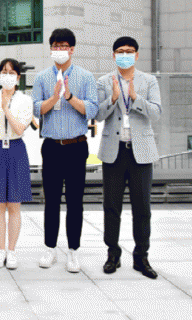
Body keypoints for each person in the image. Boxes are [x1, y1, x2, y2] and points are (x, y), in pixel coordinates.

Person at [32, 28, 98, 273]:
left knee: (74, 200)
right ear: (51, 49)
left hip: (76, 146)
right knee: (51, 200)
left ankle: (73, 250)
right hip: (51, 146)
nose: (59, 50)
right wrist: (54, 98)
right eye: (55, 46)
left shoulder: (85, 77)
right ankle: (50, 248)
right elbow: (35, 108)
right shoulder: (41, 77)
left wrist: (68, 96)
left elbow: (92, 110)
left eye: (64, 46)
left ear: (72, 49)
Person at [96, 36, 161, 279]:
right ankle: (112, 253)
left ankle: (141, 256)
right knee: (111, 206)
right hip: (114, 151)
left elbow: (156, 112)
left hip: (140, 152)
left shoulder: (148, 80)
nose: (125, 55)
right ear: (114, 55)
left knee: (142, 207)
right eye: (121, 51)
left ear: (137, 54)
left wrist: (135, 97)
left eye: (130, 51)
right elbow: (98, 115)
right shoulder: (104, 81)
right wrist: (113, 98)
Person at [0, 59, 33, 269]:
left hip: (16, 148)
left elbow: (20, 129)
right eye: (4, 71)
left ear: (18, 77)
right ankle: (1, 249)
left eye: (11, 73)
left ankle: (12, 251)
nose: (7, 76)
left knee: (14, 205)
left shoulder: (25, 100)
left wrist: (6, 109)